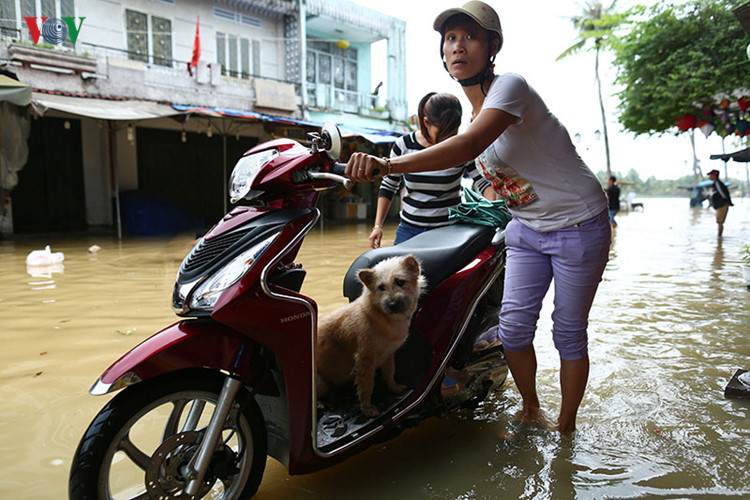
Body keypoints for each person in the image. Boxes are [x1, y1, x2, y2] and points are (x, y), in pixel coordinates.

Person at [345, 0, 611, 436]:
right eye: (450, 38)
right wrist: (491, 192)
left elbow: (467, 147)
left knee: (567, 332)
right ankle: (530, 410)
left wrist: (388, 165)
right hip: (526, 228)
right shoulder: (474, 116)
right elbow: (494, 176)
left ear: (493, 46)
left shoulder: (511, 87)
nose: (458, 46)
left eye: (470, 36)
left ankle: (566, 428)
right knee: (514, 329)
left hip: (579, 224)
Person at [369, 92, 493, 248]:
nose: (448, 140)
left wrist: (492, 216)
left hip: (449, 230)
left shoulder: (461, 148)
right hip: (410, 230)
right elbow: (389, 186)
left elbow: (484, 184)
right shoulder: (404, 145)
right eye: (443, 134)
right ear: (426, 123)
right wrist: (377, 226)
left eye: (453, 133)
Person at [707, 169, 733, 237]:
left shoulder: (718, 184)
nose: (709, 176)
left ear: (714, 176)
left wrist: (728, 202)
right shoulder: (715, 184)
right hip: (719, 205)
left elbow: (723, 194)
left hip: (722, 205)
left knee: (720, 222)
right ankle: (719, 237)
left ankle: (719, 237)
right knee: (719, 222)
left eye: (710, 175)